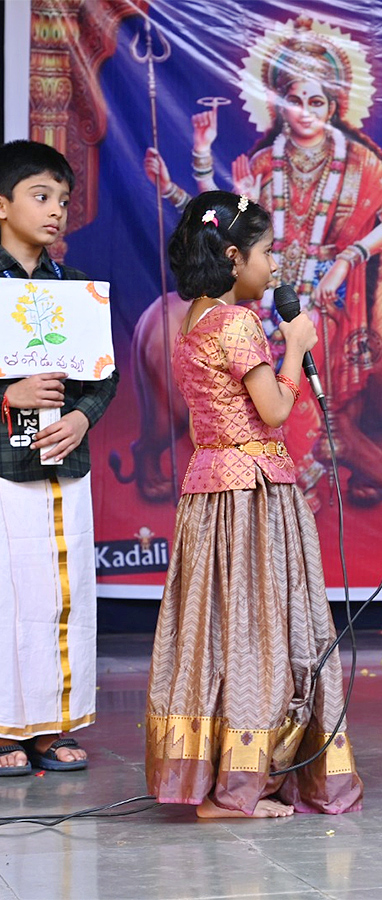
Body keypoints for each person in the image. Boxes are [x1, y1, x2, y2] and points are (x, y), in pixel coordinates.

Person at [144, 17, 382, 513]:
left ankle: (325, 477)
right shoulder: (265, 162)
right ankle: (306, 483)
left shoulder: (359, 161)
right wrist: (201, 161)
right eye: (295, 100)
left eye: (317, 101)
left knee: (340, 407)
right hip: (267, 301)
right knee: (289, 406)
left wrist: (349, 257)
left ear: (333, 107)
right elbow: (220, 222)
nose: (306, 112)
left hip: (333, 296)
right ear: (279, 105)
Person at [144, 191, 363, 817]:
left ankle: (217, 779)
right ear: (234, 256)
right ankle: (237, 790)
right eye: (268, 253)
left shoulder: (194, 319)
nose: (276, 266)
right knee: (261, 632)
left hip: (211, 490)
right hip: (251, 492)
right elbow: (274, 411)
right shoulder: (237, 323)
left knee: (220, 631)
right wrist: (295, 345)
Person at [0, 140, 118, 776]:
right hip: (3, 466)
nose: (55, 212)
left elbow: (104, 379)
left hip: (65, 462)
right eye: (40, 197)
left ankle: (52, 727)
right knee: (4, 596)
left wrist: (80, 416)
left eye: (63, 201)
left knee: (65, 596)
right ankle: (4, 727)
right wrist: (8, 394)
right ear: (1, 205)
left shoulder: (73, 290)